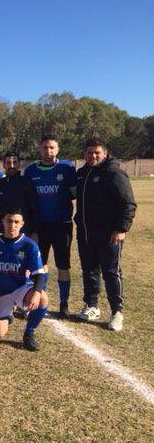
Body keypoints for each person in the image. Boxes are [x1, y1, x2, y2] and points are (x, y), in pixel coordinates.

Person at [74, 138, 137, 331]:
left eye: (97, 153)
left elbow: (128, 203)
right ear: (84, 153)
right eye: (89, 152)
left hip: (109, 235)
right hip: (86, 233)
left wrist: (121, 228)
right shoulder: (82, 173)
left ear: (104, 153)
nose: (93, 156)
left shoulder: (114, 173)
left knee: (111, 272)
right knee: (89, 271)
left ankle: (117, 312)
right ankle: (92, 305)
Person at [0, 210, 48, 351]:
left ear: (22, 224)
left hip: (20, 288)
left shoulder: (29, 245)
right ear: (3, 221)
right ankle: (1, 315)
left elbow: (39, 274)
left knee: (42, 298)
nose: (12, 225)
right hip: (0, 293)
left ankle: (29, 334)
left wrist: (37, 293)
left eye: (16, 222)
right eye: (9, 221)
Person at [24, 135, 77, 319]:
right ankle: (41, 300)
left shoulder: (67, 168)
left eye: (52, 147)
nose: (49, 151)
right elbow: (28, 199)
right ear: (40, 149)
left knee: (63, 265)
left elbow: (74, 193)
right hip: (40, 226)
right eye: (45, 147)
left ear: (58, 149)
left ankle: (64, 304)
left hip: (62, 224)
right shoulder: (30, 170)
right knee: (40, 265)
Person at [0, 151, 39, 236]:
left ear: (19, 164)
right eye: (8, 163)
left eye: (14, 162)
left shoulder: (27, 182)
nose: (12, 166)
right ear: (4, 165)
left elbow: (34, 209)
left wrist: (35, 232)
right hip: (2, 231)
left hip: (23, 231)